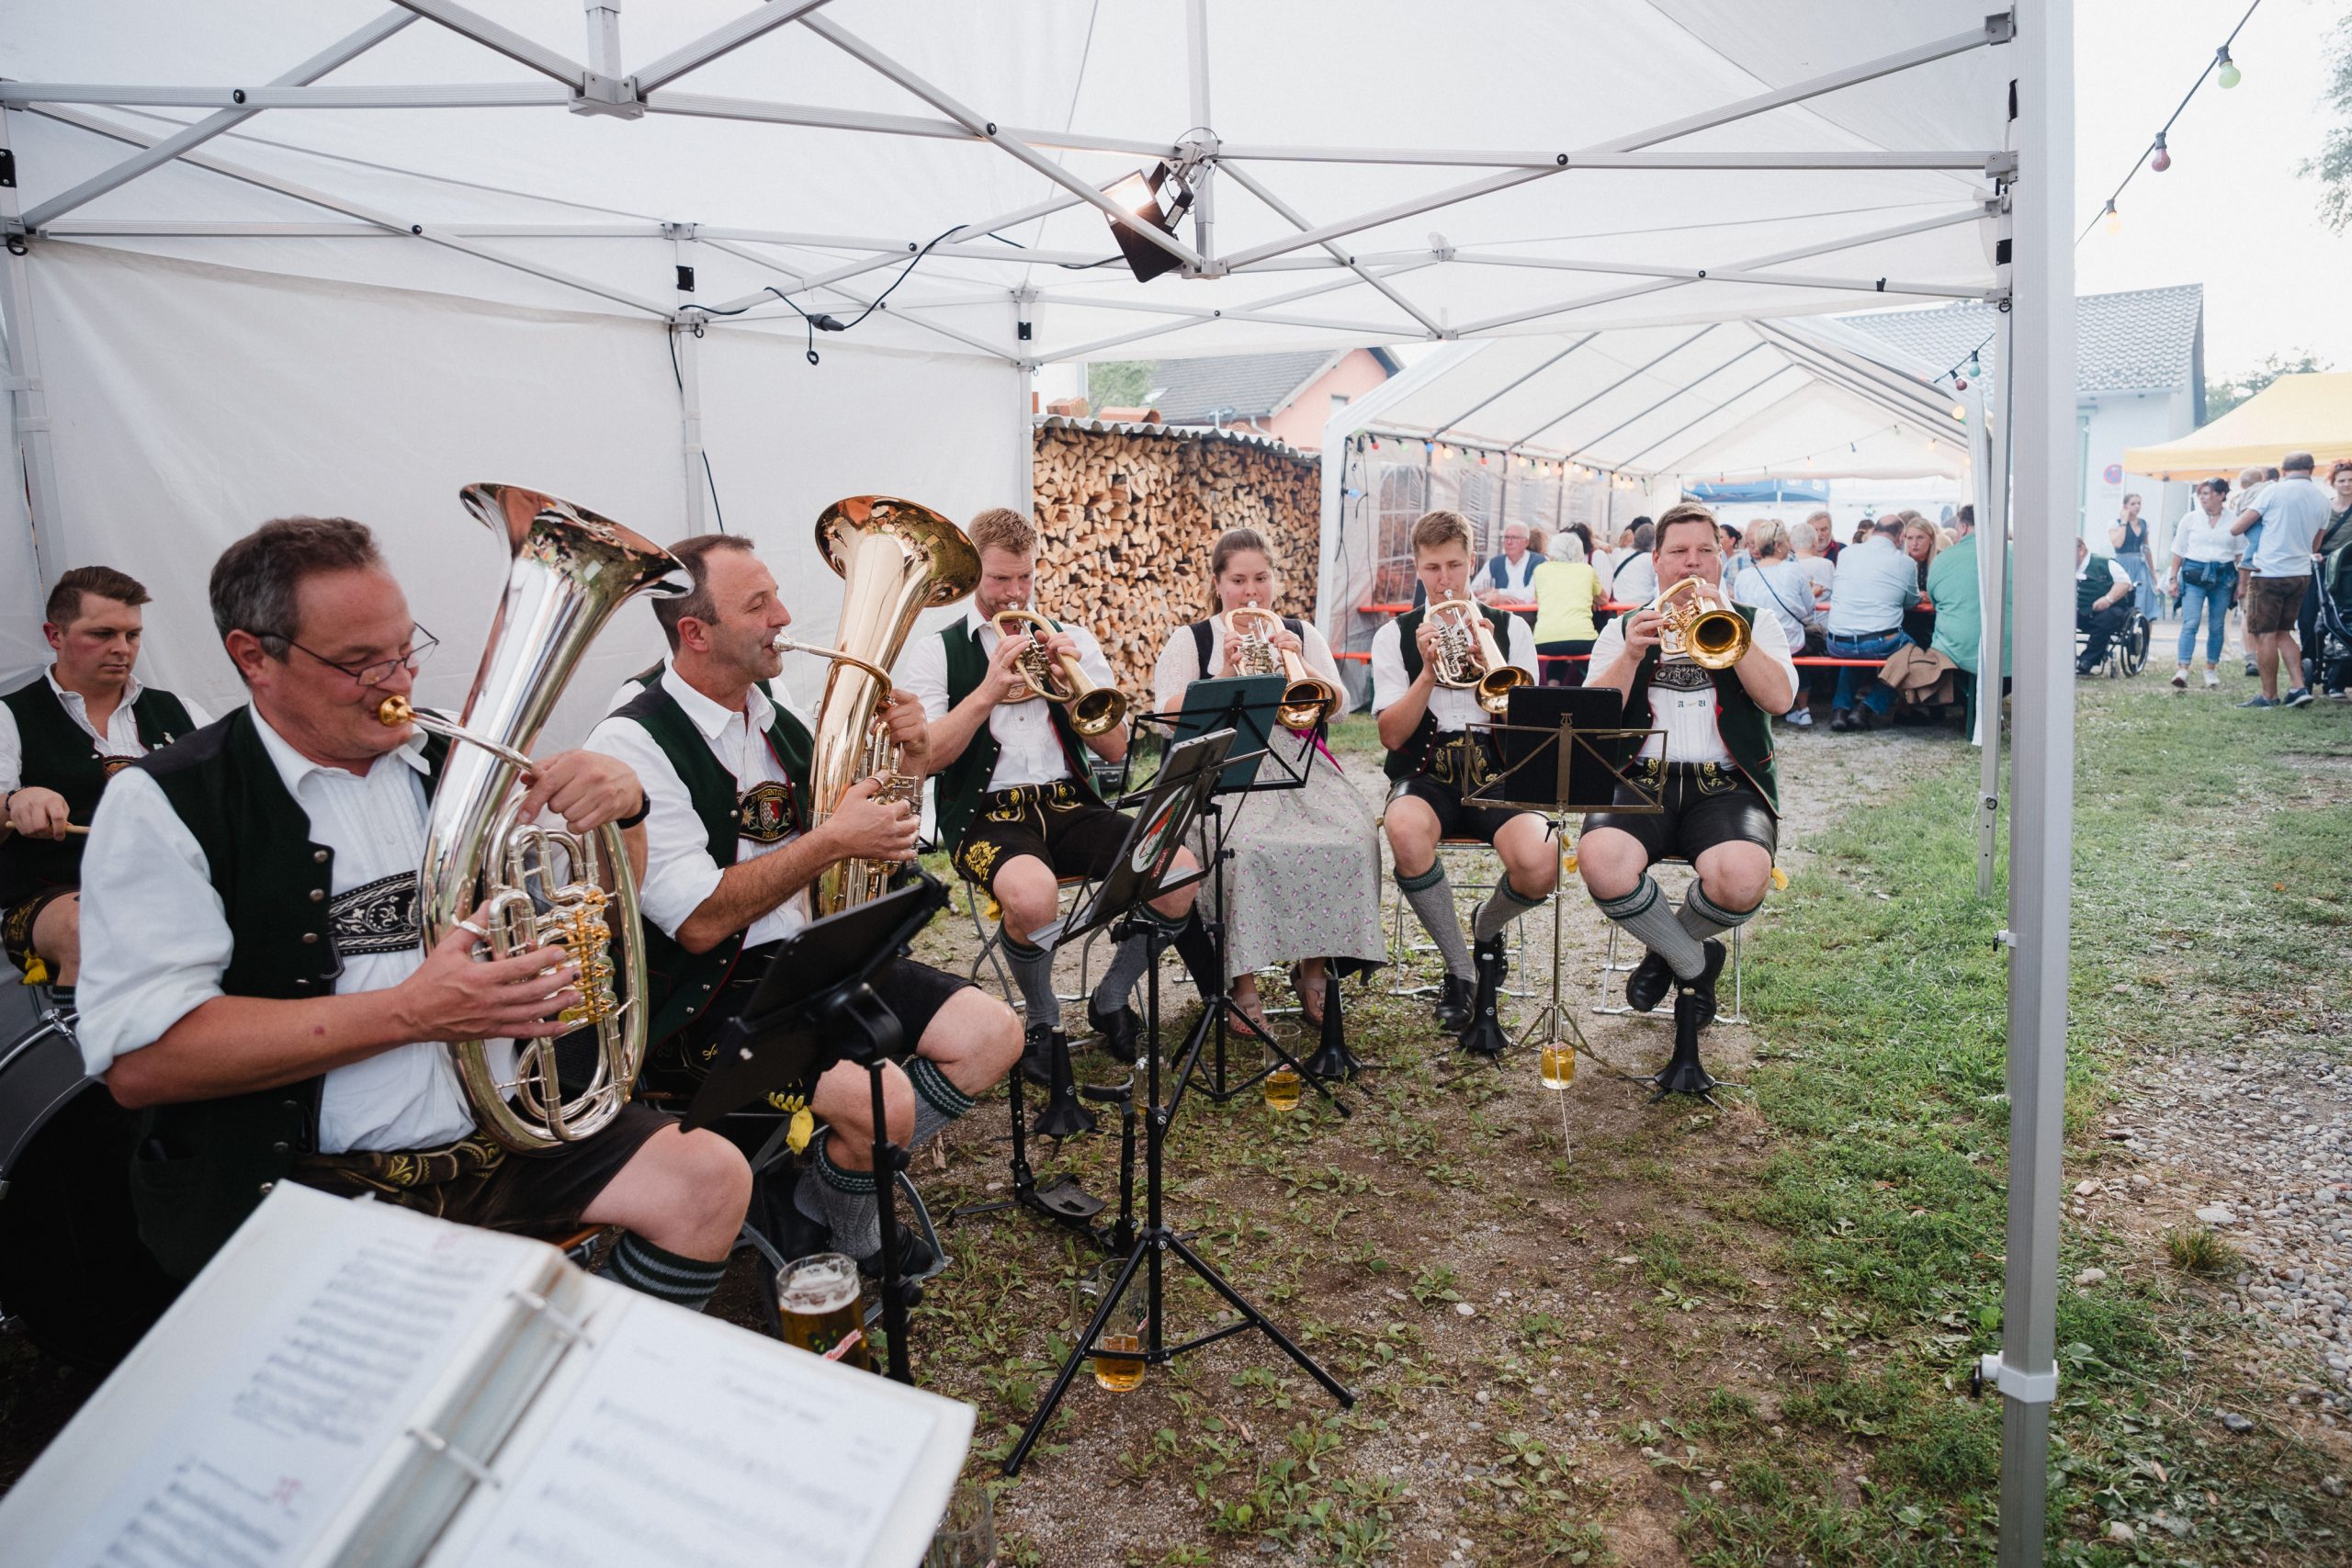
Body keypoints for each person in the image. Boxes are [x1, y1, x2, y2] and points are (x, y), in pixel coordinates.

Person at [75, 516, 752, 1305]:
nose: (397, 683)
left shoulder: (455, 766)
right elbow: (142, 1062)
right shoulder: (164, 803)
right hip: (312, 1181)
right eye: (359, 663)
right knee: (427, 1333)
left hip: (509, 1140)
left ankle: (586, 1372)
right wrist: (409, 1012)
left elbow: (606, 903)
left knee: (706, 1179)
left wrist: (625, 811)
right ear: (253, 656)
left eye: (404, 651)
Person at [586, 534, 1018, 1273]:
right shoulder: (633, 739)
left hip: (811, 955)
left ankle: (821, 1191)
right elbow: (698, 924)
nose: (784, 615)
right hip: (707, 995)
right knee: (882, 1103)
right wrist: (832, 842)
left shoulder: (774, 706)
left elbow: (870, 838)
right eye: (758, 605)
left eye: (775, 594)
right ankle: (861, 1243)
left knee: (993, 1034)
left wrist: (909, 761)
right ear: (695, 632)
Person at [901, 507, 1202, 1078]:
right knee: (1035, 898)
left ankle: (1111, 997)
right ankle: (1043, 1022)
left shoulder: (1073, 640)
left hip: (1070, 805)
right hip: (985, 817)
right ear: (973, 576)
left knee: (1180, 872)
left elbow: (1116, 750)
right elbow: (928, 757)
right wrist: (988, 691)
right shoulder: (937, 652)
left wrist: (1068, 688)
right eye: (999, 580)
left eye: (1026, 578)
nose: (1015, 593)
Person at [1149, 528, 1383, 1031]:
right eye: (1238, 580)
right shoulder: (1194, 639)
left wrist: (1297, 660)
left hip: (1300, 765)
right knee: (1244, 850)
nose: (1251, 592)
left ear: (1274, 579)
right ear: (1217, 582)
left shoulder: (1297, 629)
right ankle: (1241, 982)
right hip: (1224, 767)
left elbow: (1337, 707)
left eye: (1261, 578)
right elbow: (1166, 715)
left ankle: (1315, 969)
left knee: (1353, 838)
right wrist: (1223, 676)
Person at [1577, 504, 1793, 1024]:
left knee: (1743, 878)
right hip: (1641, 781)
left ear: (1723, 558)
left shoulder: (1756, 623)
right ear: (1656, 560)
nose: (1691, 564)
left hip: (1727, 787)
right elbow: (1590, 719)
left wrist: (1732, 634)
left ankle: (1665, 951)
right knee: (1600, 860)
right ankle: (1696, 961)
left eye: (1705, 552)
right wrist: (1630, 655)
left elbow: (1780, 700)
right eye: (1678, 552)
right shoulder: (1623, 628)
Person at [1372, 510, 1552, 1055]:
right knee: (1402, 830)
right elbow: (1390, 735)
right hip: (1427, 772)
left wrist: (1485, 660)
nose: (1445, 579)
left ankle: (1486, 928)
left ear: (1473, 562)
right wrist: (1427, 671)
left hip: (1499, 769)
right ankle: (1461, 970)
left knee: (1540, 862)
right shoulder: (1394, 636)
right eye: (1432, 568)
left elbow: (1532, 728)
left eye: (1454, 565)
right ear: (1417, 570)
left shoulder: (1510, 628)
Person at [4, 567, 208, 1000]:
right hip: (55, 896)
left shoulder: (180, 711)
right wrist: (15, 802)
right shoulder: (10, 716)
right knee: (90, 930)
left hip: (177, 887)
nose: (122, 649)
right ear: (54, 635)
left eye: (132, 635)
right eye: (102, 634)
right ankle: (102, 1064)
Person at [2229, 451, 2327, 707]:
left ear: (2283, 471)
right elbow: (2315, 544)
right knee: (2284, 632)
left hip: (2269, 573)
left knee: (2264, 635)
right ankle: (2298, 687)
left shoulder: (2273, 492)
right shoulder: (2322, 499)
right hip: (2300, 574)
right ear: (2312, 470)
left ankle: (2269, 696)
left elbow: (2236, 527)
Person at [1821, 515, 1915, 730]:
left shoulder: (1846, 554)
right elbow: (1910, 601)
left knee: (1854, 646)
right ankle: (1867, 708)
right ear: (1901, 537)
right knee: (1913, 654)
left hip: (1836, 642)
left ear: (1873, 532)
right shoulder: (1905, 562)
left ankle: (1840, 710)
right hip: (1879, 642)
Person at [1724, 519, 1815, 728]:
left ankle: (1760, 708)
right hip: (1792, 640)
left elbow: (1743, 610)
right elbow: (1809, 607)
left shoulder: (1745, 576)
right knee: (1798, 661)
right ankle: (1804, 711)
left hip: (1757, 642)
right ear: (1779, 545)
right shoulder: (1794, 570)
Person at [2167, 478, 2238, 690]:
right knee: (2191, 622)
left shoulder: (2234, 520)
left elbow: (2241, 554)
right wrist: (2172, 578)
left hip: (2223, 576)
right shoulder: (2190, 519)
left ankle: (2210, 668)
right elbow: (2178, 550)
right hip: (2194, 573)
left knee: (2217, 625)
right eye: (2200, 494)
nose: (2202, 497)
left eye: (2207, 493)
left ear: (2221, 495)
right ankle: (2183, 668)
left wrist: (2242, 584)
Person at [2299, 461, 2352, 698]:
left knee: (2343, 622)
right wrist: (2314, 552)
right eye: (2342, 480)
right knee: (2310, 620)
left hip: (2348, 571)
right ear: (2333, 483)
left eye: (2351, 480)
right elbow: (2311, 535)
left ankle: (2337, 681)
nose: (2347, 484)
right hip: (2320, 569)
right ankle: (2308, 667)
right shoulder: (2324, 508)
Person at [1530, 532, 1606, 687]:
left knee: (1559, 652)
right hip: (1582, 639)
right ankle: (1592, 690)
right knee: (1592, 656)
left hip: (1543, 641)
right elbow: (1603, 599)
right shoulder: (1586, 570)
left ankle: (1552, 689)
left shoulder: (1540, 570)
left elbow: (1539, 598)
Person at [2074, 535, 2136, 674]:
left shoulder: (2105, 563)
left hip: (2108, 610)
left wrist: (2108, 599)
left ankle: (2088, 660)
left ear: (2082, 550)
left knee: (2107, 618)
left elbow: (2125, 583)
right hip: (2079, 611)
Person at [2110, 493, 2159, 620]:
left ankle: (2141, 625)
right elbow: (2118, 543)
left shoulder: (2144, 523)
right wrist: (2124, 522)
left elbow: (2146, 548)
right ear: (2125, 506)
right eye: (2133, 504)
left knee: (2143, 595)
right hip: (2123, 563)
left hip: (2140, 564)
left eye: (2139, 503)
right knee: (2124, 594)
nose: (2137, 506)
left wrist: (2153, 572)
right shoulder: (2115, 523)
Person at [1897, 514, 1941, 650]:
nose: (1914, 543)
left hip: (1935, 623)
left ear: (1931, 540)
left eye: (1920, 538)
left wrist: (1930, 597)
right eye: (1910, 538)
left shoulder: (1941, 560)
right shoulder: (1900, 562)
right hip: (1906, 623)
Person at [1476, 520, 1540, 602]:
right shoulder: (1494, 563)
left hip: (1528, 613)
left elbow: (1533, 594)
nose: (1509, 542)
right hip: (1498, 613)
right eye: (1506, 537)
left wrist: (1498, 592)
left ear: (1526, 542)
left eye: (1514, 538)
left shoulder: (1539, 563)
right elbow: (1475, 590)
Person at [1609, 520, 1659, 607]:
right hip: (1642, 606)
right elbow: (1658, 586)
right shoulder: (1651, 559)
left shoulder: (1622, 553)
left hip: (1618, 605)